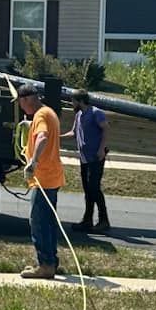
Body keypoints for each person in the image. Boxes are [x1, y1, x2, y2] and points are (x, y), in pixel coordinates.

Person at [17, 82, 64, 279]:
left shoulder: (41, 116)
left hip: (43, 177)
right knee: (48, 221)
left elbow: (43, 137)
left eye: (20, 103)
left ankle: (45, 265)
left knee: (38, 222)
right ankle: (50, 262)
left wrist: (33, 162)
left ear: (27, 99)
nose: (20, 107)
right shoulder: (48, 112)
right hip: (51, 176)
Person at [65, 89, 110, 232]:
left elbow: (106, 129)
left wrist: (101, 149)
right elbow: (73, 133)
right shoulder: (79, 115)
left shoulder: (96, 113)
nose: (72, 103)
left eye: (73, 101)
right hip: (84, 158)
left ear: (80, 101)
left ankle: (104, 220)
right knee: (88, 190)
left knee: (94, 188)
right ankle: (87, 220)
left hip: (96, 157)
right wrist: (55, 137)